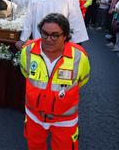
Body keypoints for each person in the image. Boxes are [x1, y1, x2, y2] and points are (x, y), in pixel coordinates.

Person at [20, 13, 90, 150]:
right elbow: (25, 73)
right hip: (34, 116)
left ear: (65, 36)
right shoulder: (27, 51)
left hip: (65, 120)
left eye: (55, 35)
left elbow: (82, 80)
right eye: (44, 33)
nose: (48, 39)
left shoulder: (79, 57)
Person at [16, 0, 88, 49]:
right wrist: (23, 39)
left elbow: (75, 21)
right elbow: (28, 20)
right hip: (39, 42)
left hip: (61, 44)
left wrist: (76, 42)